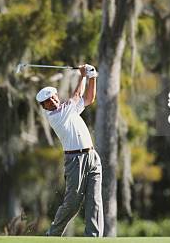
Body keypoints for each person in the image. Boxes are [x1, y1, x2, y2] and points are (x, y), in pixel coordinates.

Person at [36, 64, 103, 237]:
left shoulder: (69, 110)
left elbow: (89, 99)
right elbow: (77, 95)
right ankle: (53, 233)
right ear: (44, 107)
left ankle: (93, 237)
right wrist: (82, 76)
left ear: (57, 96)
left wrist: (92, 76)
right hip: (75, 161)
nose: (52, 102)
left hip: (92, 156)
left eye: (53, 98)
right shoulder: (56, 116)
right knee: (72, 203)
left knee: (94, 200)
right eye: (48, 102)